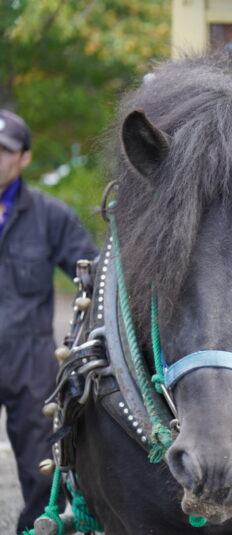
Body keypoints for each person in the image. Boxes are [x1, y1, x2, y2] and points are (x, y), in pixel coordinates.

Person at [0, 109, 97, 532]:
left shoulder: (50, 216)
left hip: (30, 358)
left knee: (44, 467)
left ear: (24, 158)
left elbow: (92, 274)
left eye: (5, 151)